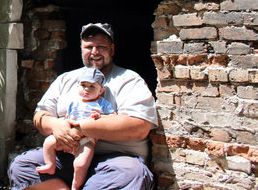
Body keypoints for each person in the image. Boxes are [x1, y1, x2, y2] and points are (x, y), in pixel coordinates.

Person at [8, 23, 158, 190]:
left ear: (112, 50)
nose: (94, 52)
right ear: (81, 48)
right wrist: (56, 126)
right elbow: (40, 115)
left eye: (101, 47)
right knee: (22, 166)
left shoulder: (129, 80)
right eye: (89, 47)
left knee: (131, 174)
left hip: (116, 159)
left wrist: (80, 129)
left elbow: (140, 126)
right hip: (68, 155)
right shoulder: (66, 79)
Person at [36, 67, 115, 190]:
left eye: (92, 87)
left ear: (101, 91)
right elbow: (68, 116)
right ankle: (50, 165)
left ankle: (75, 186)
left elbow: (113, 117)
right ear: (78, 86)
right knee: (48, 142)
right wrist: (62, 128)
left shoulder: (102, 103)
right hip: (68, 135)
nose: (87, 89)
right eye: (83, 85)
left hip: (86, 139)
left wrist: (100, 116)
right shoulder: (74, 102)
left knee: (81, 164)